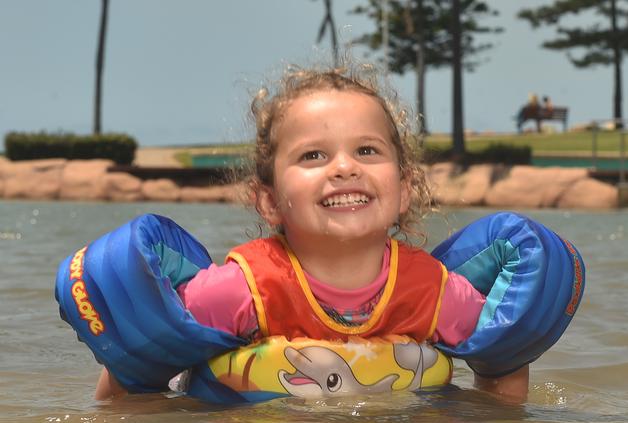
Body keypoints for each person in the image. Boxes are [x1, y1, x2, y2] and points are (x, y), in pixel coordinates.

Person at [94, 67, 574, 403]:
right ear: (268, 200)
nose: (344, 168)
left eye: (367, 150)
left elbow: (504, 362)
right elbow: (137, 368)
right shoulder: (241, 291)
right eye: (313, 156)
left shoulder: (433, 291)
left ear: (404, 190)